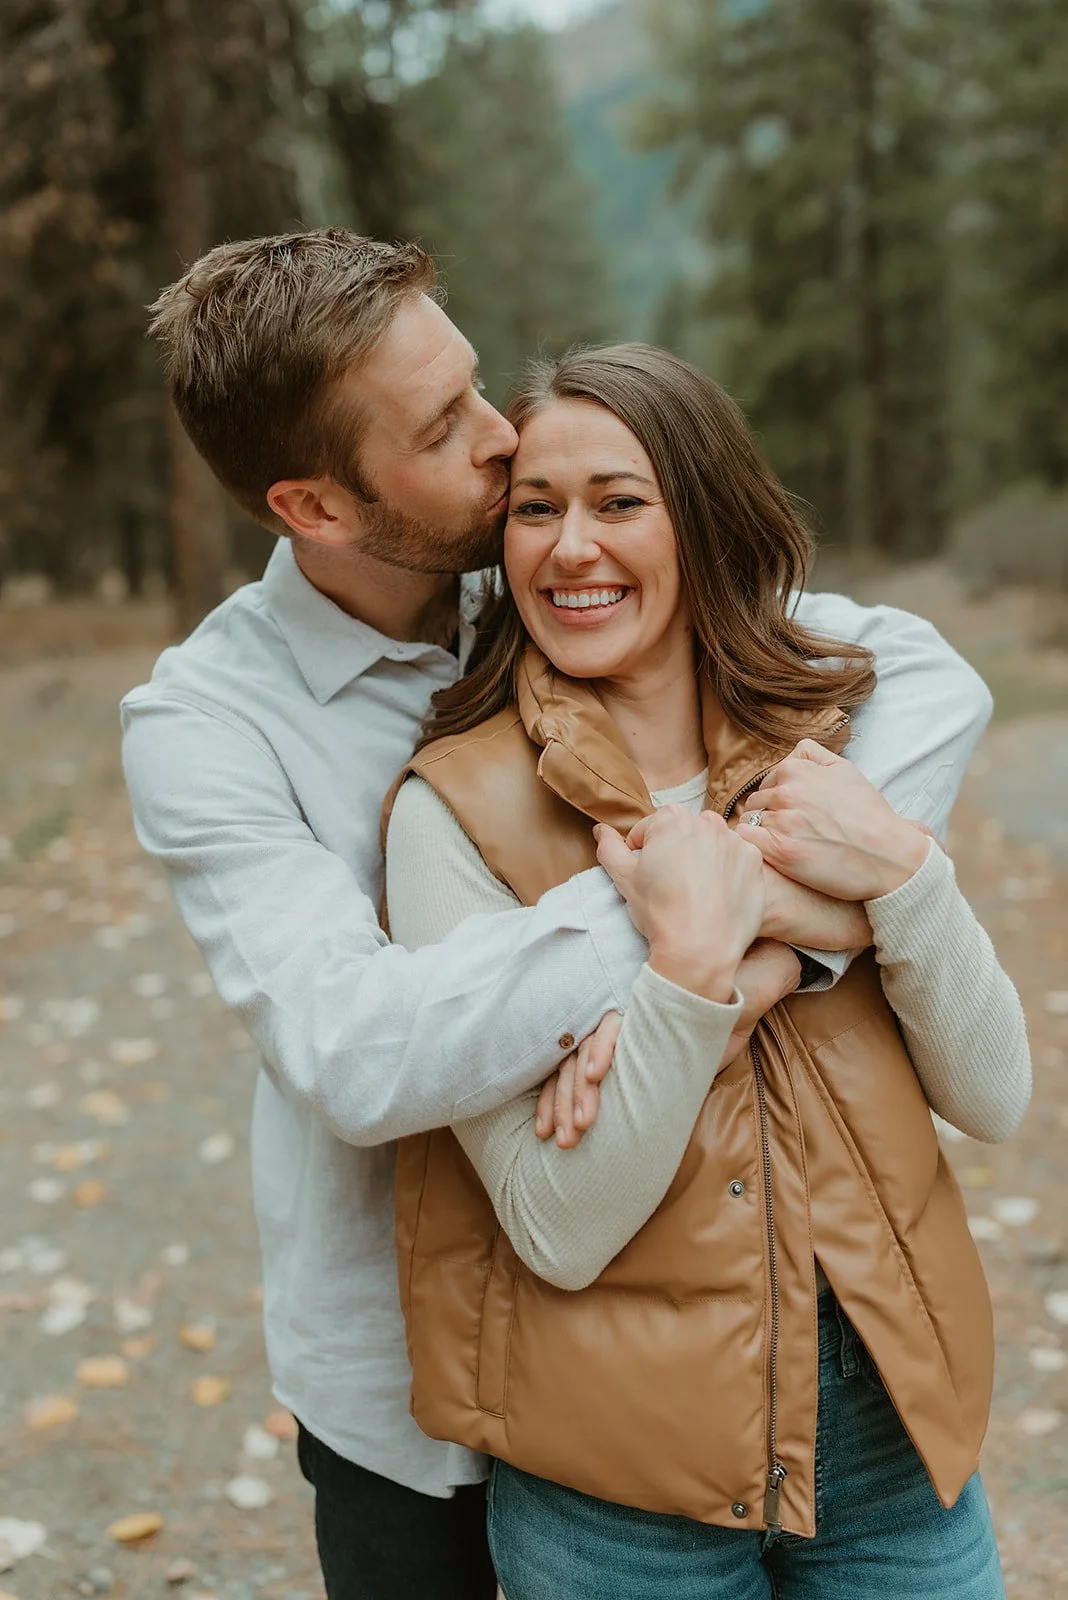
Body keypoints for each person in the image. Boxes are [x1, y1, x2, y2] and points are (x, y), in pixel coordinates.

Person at [122, 228, 992, 1600]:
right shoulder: (207, 726)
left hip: (686, 1331)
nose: (499, 435)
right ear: (316, 507)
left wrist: (763, 924)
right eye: (441, 427)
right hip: (407, 1394)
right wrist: (668, 927)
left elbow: (918, 674)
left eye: (474, 384)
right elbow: (356, 1051)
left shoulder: (552, 569)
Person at [384, 343, 1031, 1599]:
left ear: (706, 516)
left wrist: (901, 877)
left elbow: (995, 1095)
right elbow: (557, 1227)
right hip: (617, 1495)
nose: (571, 546)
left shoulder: (836, 747)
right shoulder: (451, 813)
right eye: (536, 508)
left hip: (892, 1437)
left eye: (620, 501)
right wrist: (684, 976)